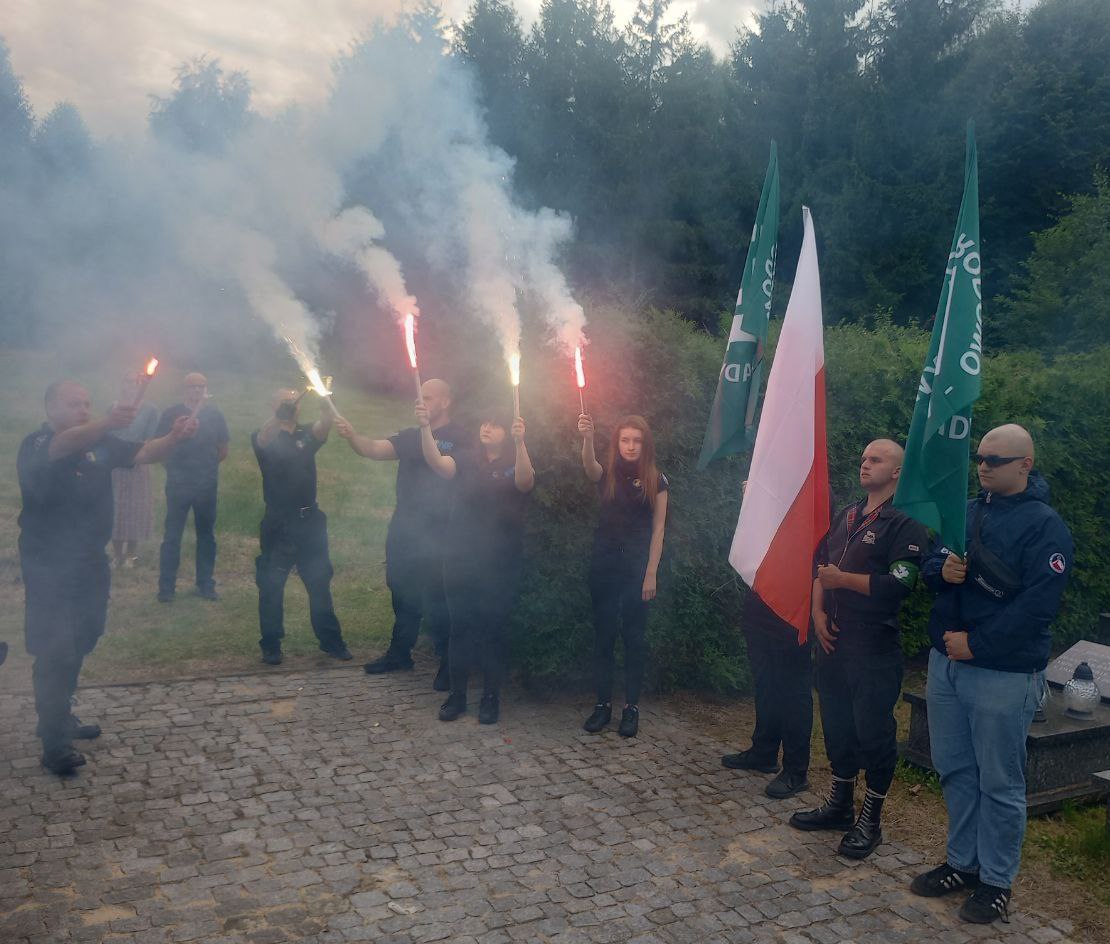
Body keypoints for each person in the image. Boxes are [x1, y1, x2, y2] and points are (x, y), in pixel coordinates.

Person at [910, 425, 1072, 925]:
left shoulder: (1045, 525)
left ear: (1025, 464)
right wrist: (942, 570)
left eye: (995, 459)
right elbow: (929, 565)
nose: (983, 465)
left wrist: (977, 644)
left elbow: (1038, 606)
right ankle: (963, 863)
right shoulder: (966, 509)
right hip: (947, 665)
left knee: (999, 782)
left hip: (1001, 671)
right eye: (980, 457)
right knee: (955, 768)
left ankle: (997, 881)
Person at [18, 380, 196, 775]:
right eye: (73, 404)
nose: (82, 410)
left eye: (87, 403)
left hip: (89, 562)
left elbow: (147, 451)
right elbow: (62, 447)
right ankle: (54, 743)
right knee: (56, 647)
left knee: (85, 636)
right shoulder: (37, 444)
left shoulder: (100, 446)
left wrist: (174, 435)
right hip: (49, 563)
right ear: (51, 408)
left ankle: (60, 713)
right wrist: (106, 420)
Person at [789, 439, 927, 860]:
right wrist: (815, 614)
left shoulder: (906, 521)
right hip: (833, 639)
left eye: (877, 459)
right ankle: (840, 804)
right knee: (836, 726)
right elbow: (820, 567)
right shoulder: (848, 514)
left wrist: (843, 581)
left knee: (873, 733)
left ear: (898, 471)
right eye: (864, 458)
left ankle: (872, 818)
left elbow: (900, 584)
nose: (865, 464)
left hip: (873, 645)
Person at [335, 379, 464, 690]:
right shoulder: (409, 436)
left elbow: (450, 471)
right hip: (406, 525)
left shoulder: (461, 437)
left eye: (428, 397)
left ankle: (449, 661)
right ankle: (400, 653)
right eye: (418, 397)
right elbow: (375, 449)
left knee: (439, 595)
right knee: (402, 590)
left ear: (445, 402)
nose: (420, 402)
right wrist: (353, 436)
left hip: (442, 528)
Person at [420, 403, 534, 724]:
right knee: (460, 628)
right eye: (485, 422)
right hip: (459, 557)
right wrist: (425, 428)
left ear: (509, 432)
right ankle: (457, 697)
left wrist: (521, 443)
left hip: (499, 561)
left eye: (496, 425)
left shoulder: (515, 462)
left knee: (493, 630)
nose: (487, 428)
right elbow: (437, 463)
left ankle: (490, 697)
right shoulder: (467, 458)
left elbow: (526, 482)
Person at [578, 414, 669, 739]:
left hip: (636, 571)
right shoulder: (608, 473)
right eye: (625, 440)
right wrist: (588, 438)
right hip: (603, 567)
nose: (630, 446)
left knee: (634, 640)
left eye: (636, 441)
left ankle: (631, 708)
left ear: (645, 445)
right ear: (617, 443)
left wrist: (651, 573)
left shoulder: (657, 480)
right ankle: (602, 705)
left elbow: (659, 529)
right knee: (603, 638)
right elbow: (589, 468)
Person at [251, 390, 352, 665]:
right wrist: (277, 416)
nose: (289, 402)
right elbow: (263, 437)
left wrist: (327, 407)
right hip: (279, 522)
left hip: (310, 522)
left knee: (319, 582)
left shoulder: (305, 435)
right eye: (283, 399)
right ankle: (271, 645)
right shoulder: (266, 435)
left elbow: (322, 427)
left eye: (292, 399)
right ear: (273, 404)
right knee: (272, 584)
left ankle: (331, 641)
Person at [720, 589, 814, 798]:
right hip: (761, 598)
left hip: (795, 604)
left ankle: (796, 770)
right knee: (765, 681)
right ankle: (764, 751)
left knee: (794, 689)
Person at [155, 372, 229, 602]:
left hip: (206, 484)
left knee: (206, 535)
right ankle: (166, 588)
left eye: (201, 387)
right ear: (184, 390)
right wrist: (175, 469)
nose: (197, 391)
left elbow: (222, 449)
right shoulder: (171, 414)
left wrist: (205, 469)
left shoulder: (215, 415)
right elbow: (159, 447)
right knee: (172, 535)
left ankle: (205, 584)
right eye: (193, 387)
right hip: (178, 484)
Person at [110, 374, 160, 567]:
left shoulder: (149, 410)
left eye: (135, 382)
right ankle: (117, 555)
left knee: (135, 509)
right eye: (127, 380)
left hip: (139, 462)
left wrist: (140, 453)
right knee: (117, 508)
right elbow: (108, 435)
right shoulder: (113, 408)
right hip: (116, 465)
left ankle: (131, 554)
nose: (131, 385)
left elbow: (151, 436)